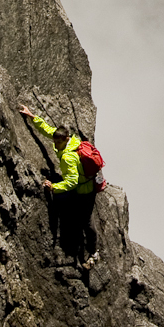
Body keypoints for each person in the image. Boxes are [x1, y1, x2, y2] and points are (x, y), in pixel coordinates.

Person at [18, 105, 100, 269]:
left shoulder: (68, 158)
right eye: (54, 140)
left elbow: (72, 182)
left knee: (86, 222)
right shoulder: (69, 140)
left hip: (85, 191)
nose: (55, 144)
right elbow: (49, 130)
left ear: (65, 139)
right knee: (76, 219)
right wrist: (32, 116)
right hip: (83, 183)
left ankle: (93, 253)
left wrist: (53, 187)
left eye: (57, 142)